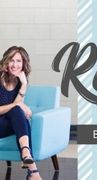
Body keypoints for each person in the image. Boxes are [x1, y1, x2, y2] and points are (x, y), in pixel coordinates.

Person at [0, 46, 42, 180]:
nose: (15, 64)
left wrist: (23, 85)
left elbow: (16, 108)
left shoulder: (20, 81)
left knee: (18, 114)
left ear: (24, 64)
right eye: (11, 60)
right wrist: (18, 105)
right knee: (19, 113)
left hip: (6, 124)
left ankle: (26, 155)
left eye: (18, 61)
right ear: (6, 61)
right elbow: (17, 105)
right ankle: (32, 170)